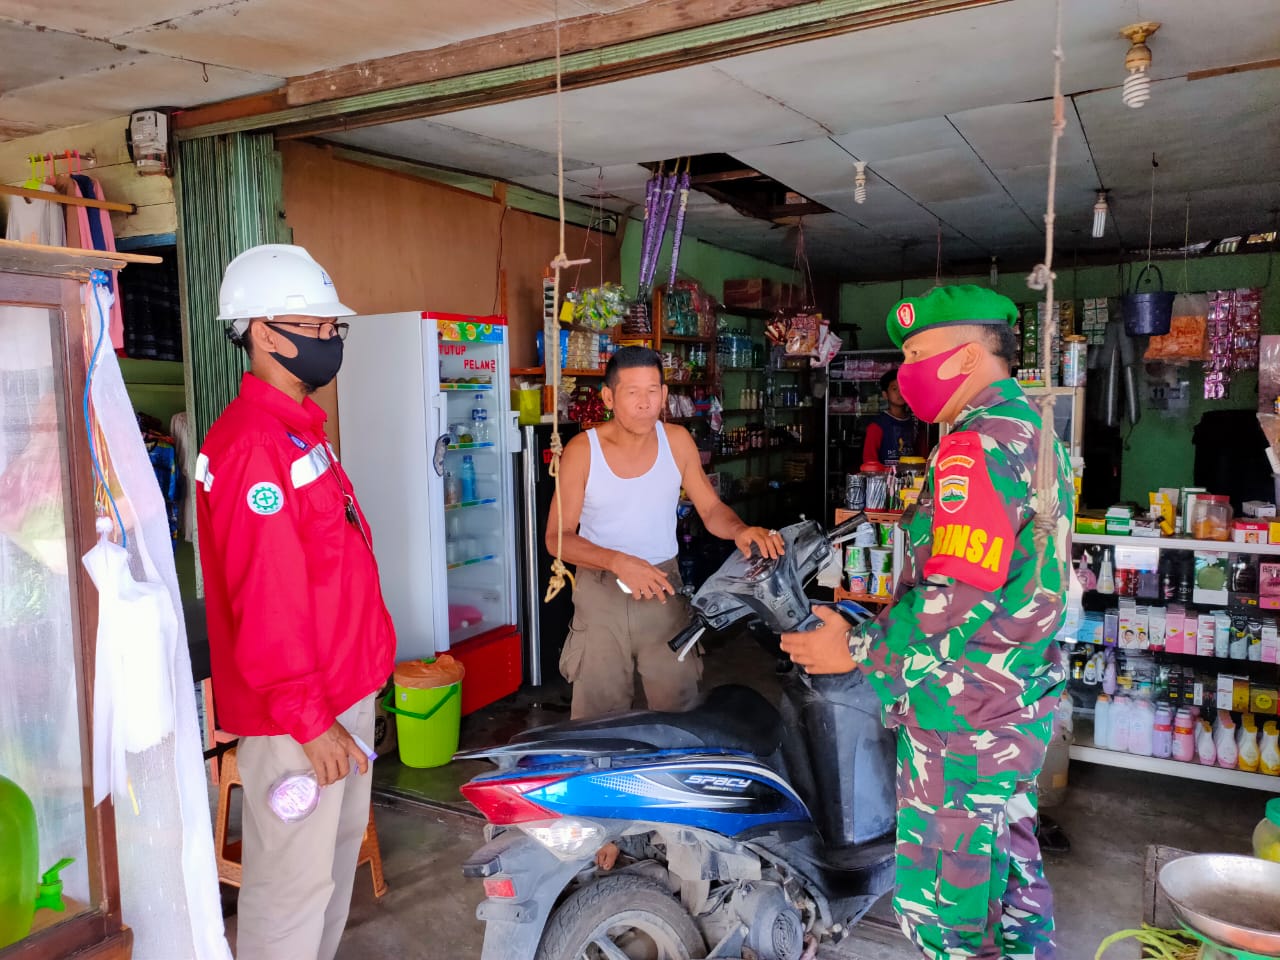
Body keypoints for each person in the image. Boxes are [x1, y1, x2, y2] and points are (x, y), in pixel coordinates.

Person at [781, 285, 1072, 960]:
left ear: (966, 357)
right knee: (1012, 882)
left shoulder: (977, 446)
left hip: (964, 716)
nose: (904, 371)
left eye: (916, 354)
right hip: (1012, 701)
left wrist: (853, 648)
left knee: (949, 912)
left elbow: (953, 594)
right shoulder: (1031, 430)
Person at [196, 244, 396, 960]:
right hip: (300, 717)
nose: (328, 339)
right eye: (314, 326)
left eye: (331, 327)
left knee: (332, 869)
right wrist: (312, 724)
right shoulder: (253, 447)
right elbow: (268, 599)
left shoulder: (297, 430)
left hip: (340, 695)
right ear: (262, 332)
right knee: (291, 890)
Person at [548, 346, 784, 719]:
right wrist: (618, 562)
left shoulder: (676, 441)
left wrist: (740, 530)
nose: (645, 403)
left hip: (663, 590)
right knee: (599, 719)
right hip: (600, 595)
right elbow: (557, 536)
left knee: (680, 710)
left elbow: (709, 509)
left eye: (653, 391)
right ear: (608, 396)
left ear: (664, 395)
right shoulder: (583, 450)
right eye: (632, 392)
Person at [862, 366, 927, 465]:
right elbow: (869, 461)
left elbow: (923, 457)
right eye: (894, 389)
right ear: (885, 394)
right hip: (885, 479)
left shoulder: (915, 423)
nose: (900, 392)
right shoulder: (877, 425)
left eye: (903, 388)